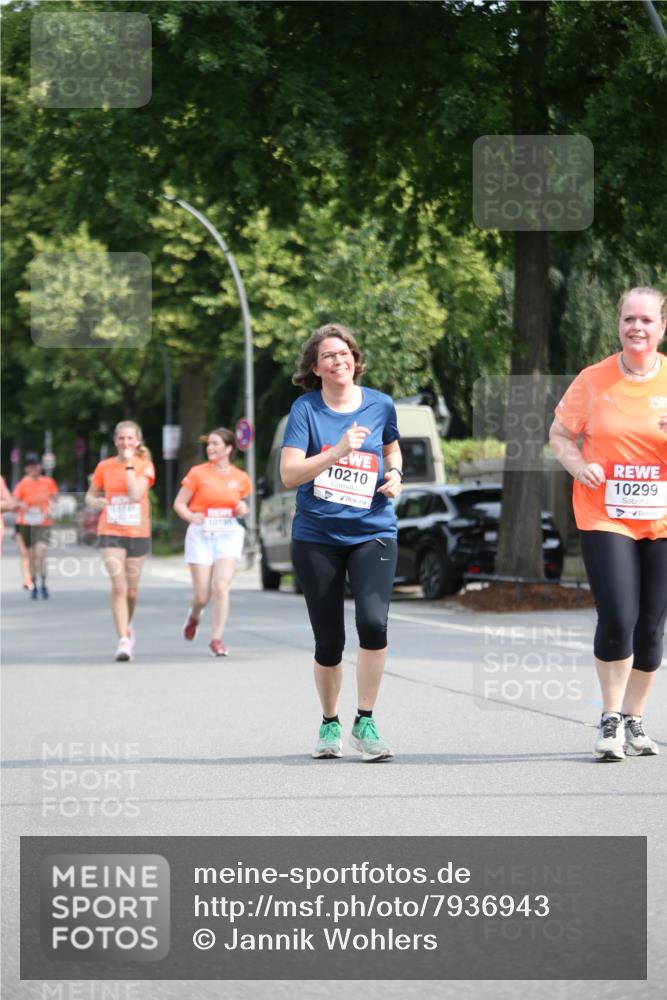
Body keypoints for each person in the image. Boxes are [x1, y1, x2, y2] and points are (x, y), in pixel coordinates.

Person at [550, 286, 667, 761]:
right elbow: (559, 435)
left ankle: (636, 719)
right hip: (605, 513)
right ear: (618, 324)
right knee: (619, 615)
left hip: (660, 517)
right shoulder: (593, 380)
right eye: (628, 320)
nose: (636, 328)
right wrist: (579, 466)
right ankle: (610, 717)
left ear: (662, 327)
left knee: (654, 625)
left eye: (646, 320)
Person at [280, 322, 403, 762]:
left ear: (355, 358)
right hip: (318, 536)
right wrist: (337, 451)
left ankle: (365, 720)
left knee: (373, 624)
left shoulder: (380, 404)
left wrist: (396, 475)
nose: (339, 359)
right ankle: (329, 722)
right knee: (329, 640)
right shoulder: (305, 410)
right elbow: (290, 474)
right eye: (329, 355)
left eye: (345, 352)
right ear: (316, 367)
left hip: (373, 529)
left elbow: (391, 448)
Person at [173, 427, 251, 657]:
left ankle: (216, 639)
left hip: (228, 535)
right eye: (209, 444)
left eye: (216, 444)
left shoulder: (240, 477)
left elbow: (243, 506)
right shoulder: (197, 473)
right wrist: (190, 516)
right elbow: (179, 503)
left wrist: (242, 509)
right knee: (202, 595)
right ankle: (195, 615)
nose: (210, 448)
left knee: (221, 586)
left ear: (228, 448)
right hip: (201, 535)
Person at [85, 421, 155, 662]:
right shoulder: (104, 466)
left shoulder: (145, 466)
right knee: (119, 586)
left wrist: (128, 465)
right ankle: (123, 640)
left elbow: (135, 495)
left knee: (132, 592)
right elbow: (90, 495)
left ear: (138, 441)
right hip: (110, 530)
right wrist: (96, 502)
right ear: (115, 441)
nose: (125, 443)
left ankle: (128, 623)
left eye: (130, 439)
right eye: (121, 439)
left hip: (137, 532)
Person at [12, 454, 59, 599]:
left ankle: (44, 582)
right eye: (31, 467)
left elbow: (55, 500)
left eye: (36, 466)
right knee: (31, 556)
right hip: (26, 523)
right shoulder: (22, 484)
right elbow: (13, 503)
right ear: (27, 469)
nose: (34, 469)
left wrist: (51, 510)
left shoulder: (48, 482)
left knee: (41, 552)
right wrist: (21, 505)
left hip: (43, 522)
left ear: (40, 467)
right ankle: (34, 583)